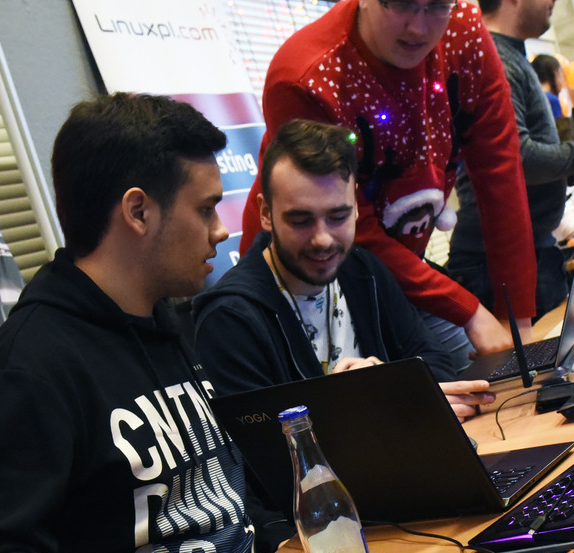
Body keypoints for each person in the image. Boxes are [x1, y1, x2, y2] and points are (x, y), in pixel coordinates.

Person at [0, 94, 282, 553]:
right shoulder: (27, 370)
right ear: (138, 211)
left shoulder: (164, 322)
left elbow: (229, 500)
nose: (221, 230)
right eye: (204, 209)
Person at [242, 0, 537, 375]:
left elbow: (501, 175)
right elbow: (347, 224)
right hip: (310, 280)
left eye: (437, 5)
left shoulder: (463, 31)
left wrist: (517, 317)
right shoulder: (307, 78)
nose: (419, 27)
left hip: (398, 269)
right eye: (400, 4)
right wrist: (470, 310)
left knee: (494, 375)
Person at [194, 119, 495, 421]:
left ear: (355, 207)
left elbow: (436, 360)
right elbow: (270, 442)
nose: (323, 239)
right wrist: (380, 400)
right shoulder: (230, 318)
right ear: (265, 214)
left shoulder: (363, 269)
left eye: (338, 217)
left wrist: (387, 381)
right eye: (300, 221)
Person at [446, 0, 574, 315]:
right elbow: (514, 158)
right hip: (495, 264)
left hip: (525, 252)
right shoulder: (495, 59)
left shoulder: (510, 57)